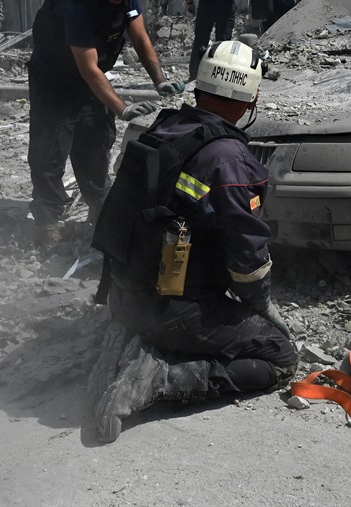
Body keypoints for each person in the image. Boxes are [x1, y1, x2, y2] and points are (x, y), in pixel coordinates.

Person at [90, 40, 298, 444]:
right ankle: (159, 380)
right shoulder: (229, 159)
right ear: (252, 96)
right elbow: (247, 258)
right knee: (279, 356)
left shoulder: (165, 128)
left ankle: (134, 336)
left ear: (199, 86)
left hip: (125, 293)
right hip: (174, 308)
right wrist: (263, 307)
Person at [27, 0, 185, 252]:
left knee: (95, 143)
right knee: (51, 149)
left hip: (89, 80)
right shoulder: (76, 4)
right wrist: (121, 107)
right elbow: (88, 69)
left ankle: (100, 213)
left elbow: (140, 39)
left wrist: (160, 80)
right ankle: (47, 224)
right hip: (54, 82)